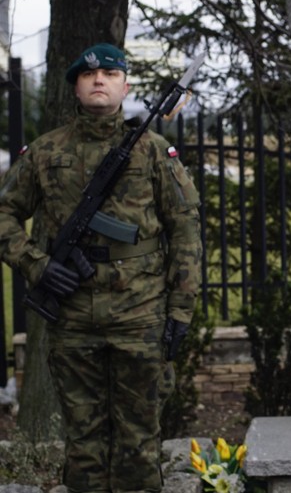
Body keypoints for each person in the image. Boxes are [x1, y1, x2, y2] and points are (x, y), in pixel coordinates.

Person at [0, 43, 202, 493]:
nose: (99, 80)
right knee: (84, 446)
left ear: (124, 85)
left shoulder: (152, 150)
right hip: (72, 318)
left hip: (140, 316)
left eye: (110, 74)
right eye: (89, 74)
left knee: (138, 443)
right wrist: (36, 265)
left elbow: (185, 231)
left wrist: (181, 310)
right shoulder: (46, 152)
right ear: (75, 85)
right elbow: (4, 214)